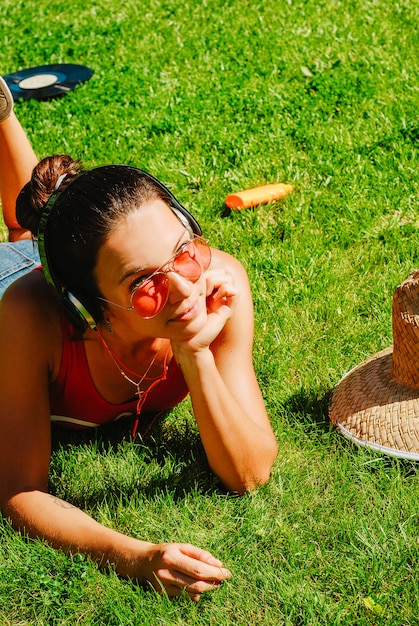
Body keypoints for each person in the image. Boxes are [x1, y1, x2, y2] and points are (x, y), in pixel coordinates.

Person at [0, 77, 277, 601]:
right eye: (143, 283)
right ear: (88, 310)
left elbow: (251, 471)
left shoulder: (217, 283)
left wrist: (195, 352)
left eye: (183, 250)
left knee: (28, 233)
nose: (183, 289)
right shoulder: (32, 320)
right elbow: (19, 488)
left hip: (50, 270)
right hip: (3, 286)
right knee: (20, 245)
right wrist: (133, 556)